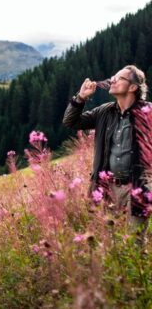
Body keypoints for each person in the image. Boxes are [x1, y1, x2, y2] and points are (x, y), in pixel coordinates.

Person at [62, 65, 151, 242]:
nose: (113, 80)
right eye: (113, 76)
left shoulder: (148, 113)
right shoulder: (104, 111)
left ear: (133, 87)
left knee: (135, 242)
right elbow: (71, 122)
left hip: (138, 187)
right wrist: (80, 98)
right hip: (106, 188)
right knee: (110, 242)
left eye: (119, 78)